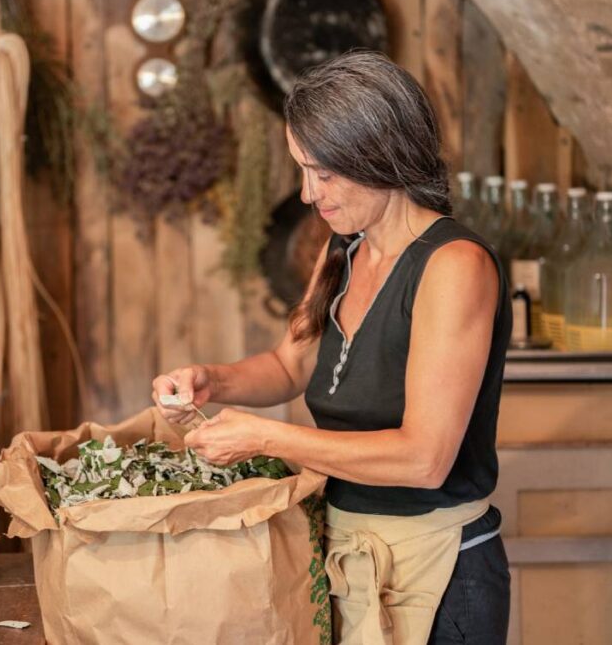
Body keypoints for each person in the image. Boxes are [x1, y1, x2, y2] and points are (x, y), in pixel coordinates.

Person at [151, 51, 511, 645]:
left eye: (321, 172)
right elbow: (287, 365)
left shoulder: (455, 266)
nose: (305, 193)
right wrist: (209, 379)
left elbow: (425, 459)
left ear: (378, 154)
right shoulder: (344, 248)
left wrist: (265, 437)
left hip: (440, 573)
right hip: (347, 551)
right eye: (302, 169)